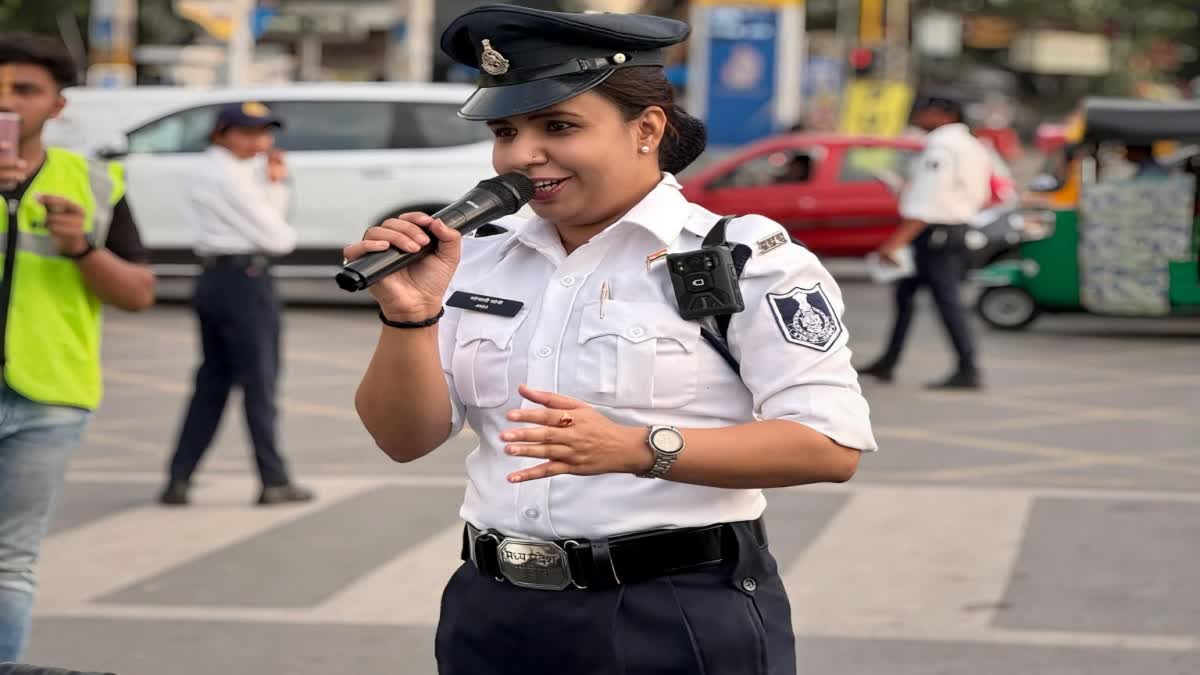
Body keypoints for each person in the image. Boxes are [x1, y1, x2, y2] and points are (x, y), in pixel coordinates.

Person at [345, 6, 877, 674]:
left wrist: (635, 447)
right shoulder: (477, 258)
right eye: (505, 130)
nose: (521, 155)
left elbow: (829, 445)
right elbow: (403, 439)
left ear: (646, 129)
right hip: (493, 611)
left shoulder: (742, 256)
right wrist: (409, 317)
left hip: (673, 612)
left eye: (559, 126)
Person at [0, 33, 155, 662]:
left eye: (24, 90)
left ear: (57, 106)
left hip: (50, 398)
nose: (4, 104)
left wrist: (80, 247)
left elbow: (139, 293)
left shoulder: (92, 181)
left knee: (11, 559)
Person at [160, 103, 313, 507]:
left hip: (217, 279)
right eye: (247, 132)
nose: (260, 141)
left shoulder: (223, 171)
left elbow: (267, 226)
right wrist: (277, 187)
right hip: (245, 282)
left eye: (265, 132)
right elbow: (279, 240)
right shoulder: (225, 176)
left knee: (212, 382)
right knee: (259, 383)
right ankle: (273, 480)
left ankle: (179, 477)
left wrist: (273, 182)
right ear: (221, 134)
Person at [859, 93, 992, 389]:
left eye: (924, 110)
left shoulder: (941, 146)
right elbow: (977, 194)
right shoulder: (972, 145)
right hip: (952, 229)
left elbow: (929, 201)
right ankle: (889, 361)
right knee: (905, 298)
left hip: (935, 235)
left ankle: (968, 368)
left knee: (948, 304)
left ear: (944, 114)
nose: (918, 116)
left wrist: (895, 242)